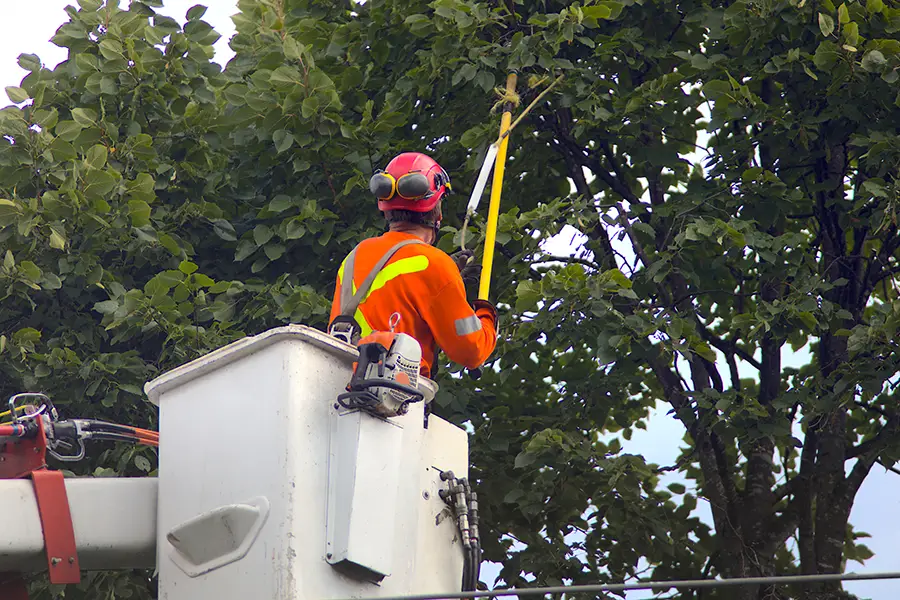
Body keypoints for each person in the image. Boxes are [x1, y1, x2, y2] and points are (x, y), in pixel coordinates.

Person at [328, 152, 498, 378]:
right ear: (437, 210)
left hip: (339, 388)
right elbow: (471, 351)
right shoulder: (434, 265)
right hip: (396, 399)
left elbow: (392, 294)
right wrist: (486, 316)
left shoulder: (355, 256)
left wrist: (447, 280)